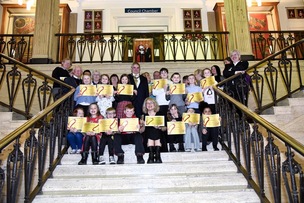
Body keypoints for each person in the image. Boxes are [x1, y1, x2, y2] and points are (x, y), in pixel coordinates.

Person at [142, 98, 166, 163]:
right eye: (147, 103)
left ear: (155, 104)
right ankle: (156, 155)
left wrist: (160, 127)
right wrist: (143, 124)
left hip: (159, 133)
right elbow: (141, 130)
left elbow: (165, 128)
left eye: (151, 103)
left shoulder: (160, 114)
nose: (149, 104)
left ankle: (152, 155)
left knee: (156, 131)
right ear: (145, 105)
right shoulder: (143, 116)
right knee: (151, 131)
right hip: (147, 134)